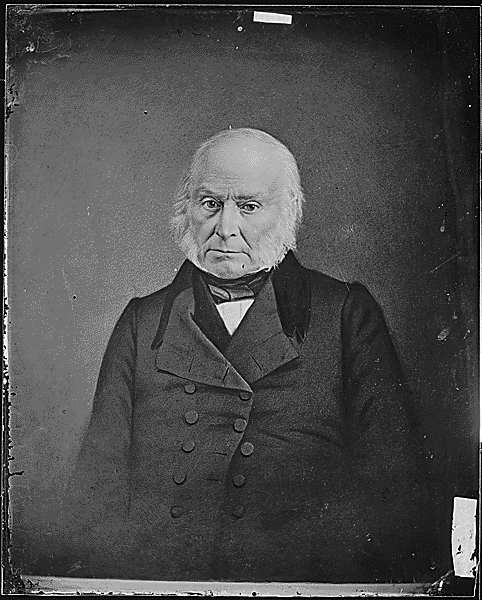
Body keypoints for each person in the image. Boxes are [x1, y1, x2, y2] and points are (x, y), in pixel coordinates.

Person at [54, 127, 432, 582]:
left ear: (288, 213)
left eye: (248, 206)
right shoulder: (141, 321)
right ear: (187, 209)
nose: (225, 228)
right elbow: (97, 496)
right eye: (210, 203)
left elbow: (392, 491)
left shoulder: (345, 313)